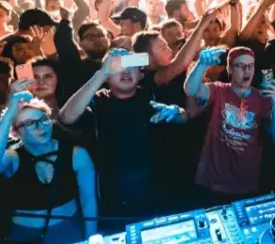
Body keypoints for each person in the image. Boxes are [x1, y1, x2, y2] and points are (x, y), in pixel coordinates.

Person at [59, 50, 187, 220]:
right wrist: (101, 74)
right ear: (106, 76)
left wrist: (177, 112)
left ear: (140, 74)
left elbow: (184, 117)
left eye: (131, 66)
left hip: (161, 193)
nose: (126, 71)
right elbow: (66, 117)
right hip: (115, 197)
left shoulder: (154, 93)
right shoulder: (96, 101)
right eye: (117, 67)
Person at [0, 94, 98, 244]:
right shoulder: (13, 158)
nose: (40, 126)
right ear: (15, 133)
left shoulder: (76, 154)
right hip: (24, 237)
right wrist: (10, 112)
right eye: (29, 123)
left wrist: (91, 239)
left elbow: (89, 200)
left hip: (69, 230)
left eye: (43, 119)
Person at [185, 46, 275, 199]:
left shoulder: (261, 98)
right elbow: (190, 90)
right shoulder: (219, 90)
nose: (247, 70)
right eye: (240, 66)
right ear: (229, 69)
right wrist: (202, 64)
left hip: (245, 181)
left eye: (250, 66)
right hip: (213, 180)